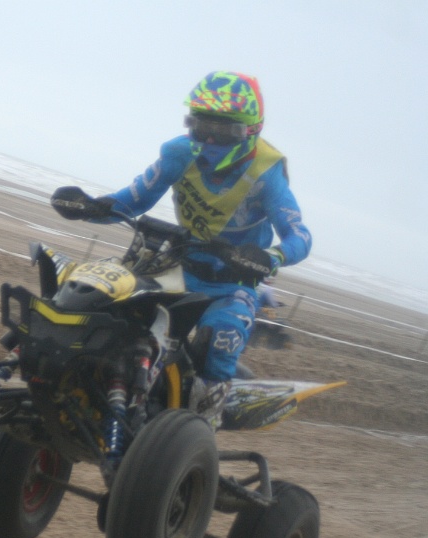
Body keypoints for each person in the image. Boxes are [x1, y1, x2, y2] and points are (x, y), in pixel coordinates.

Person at [50, 71, 312, 428]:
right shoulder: (178, 153)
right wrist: (93, 207)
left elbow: (300, 235)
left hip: (231, 284)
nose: (210, 138)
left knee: (222, 337)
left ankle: (201, 427)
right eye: (201, 125)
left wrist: (270, 257)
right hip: (172, 268)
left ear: (251, 130)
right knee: (113, 310)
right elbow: (134, 200)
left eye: (223, 130)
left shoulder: (266, 173)